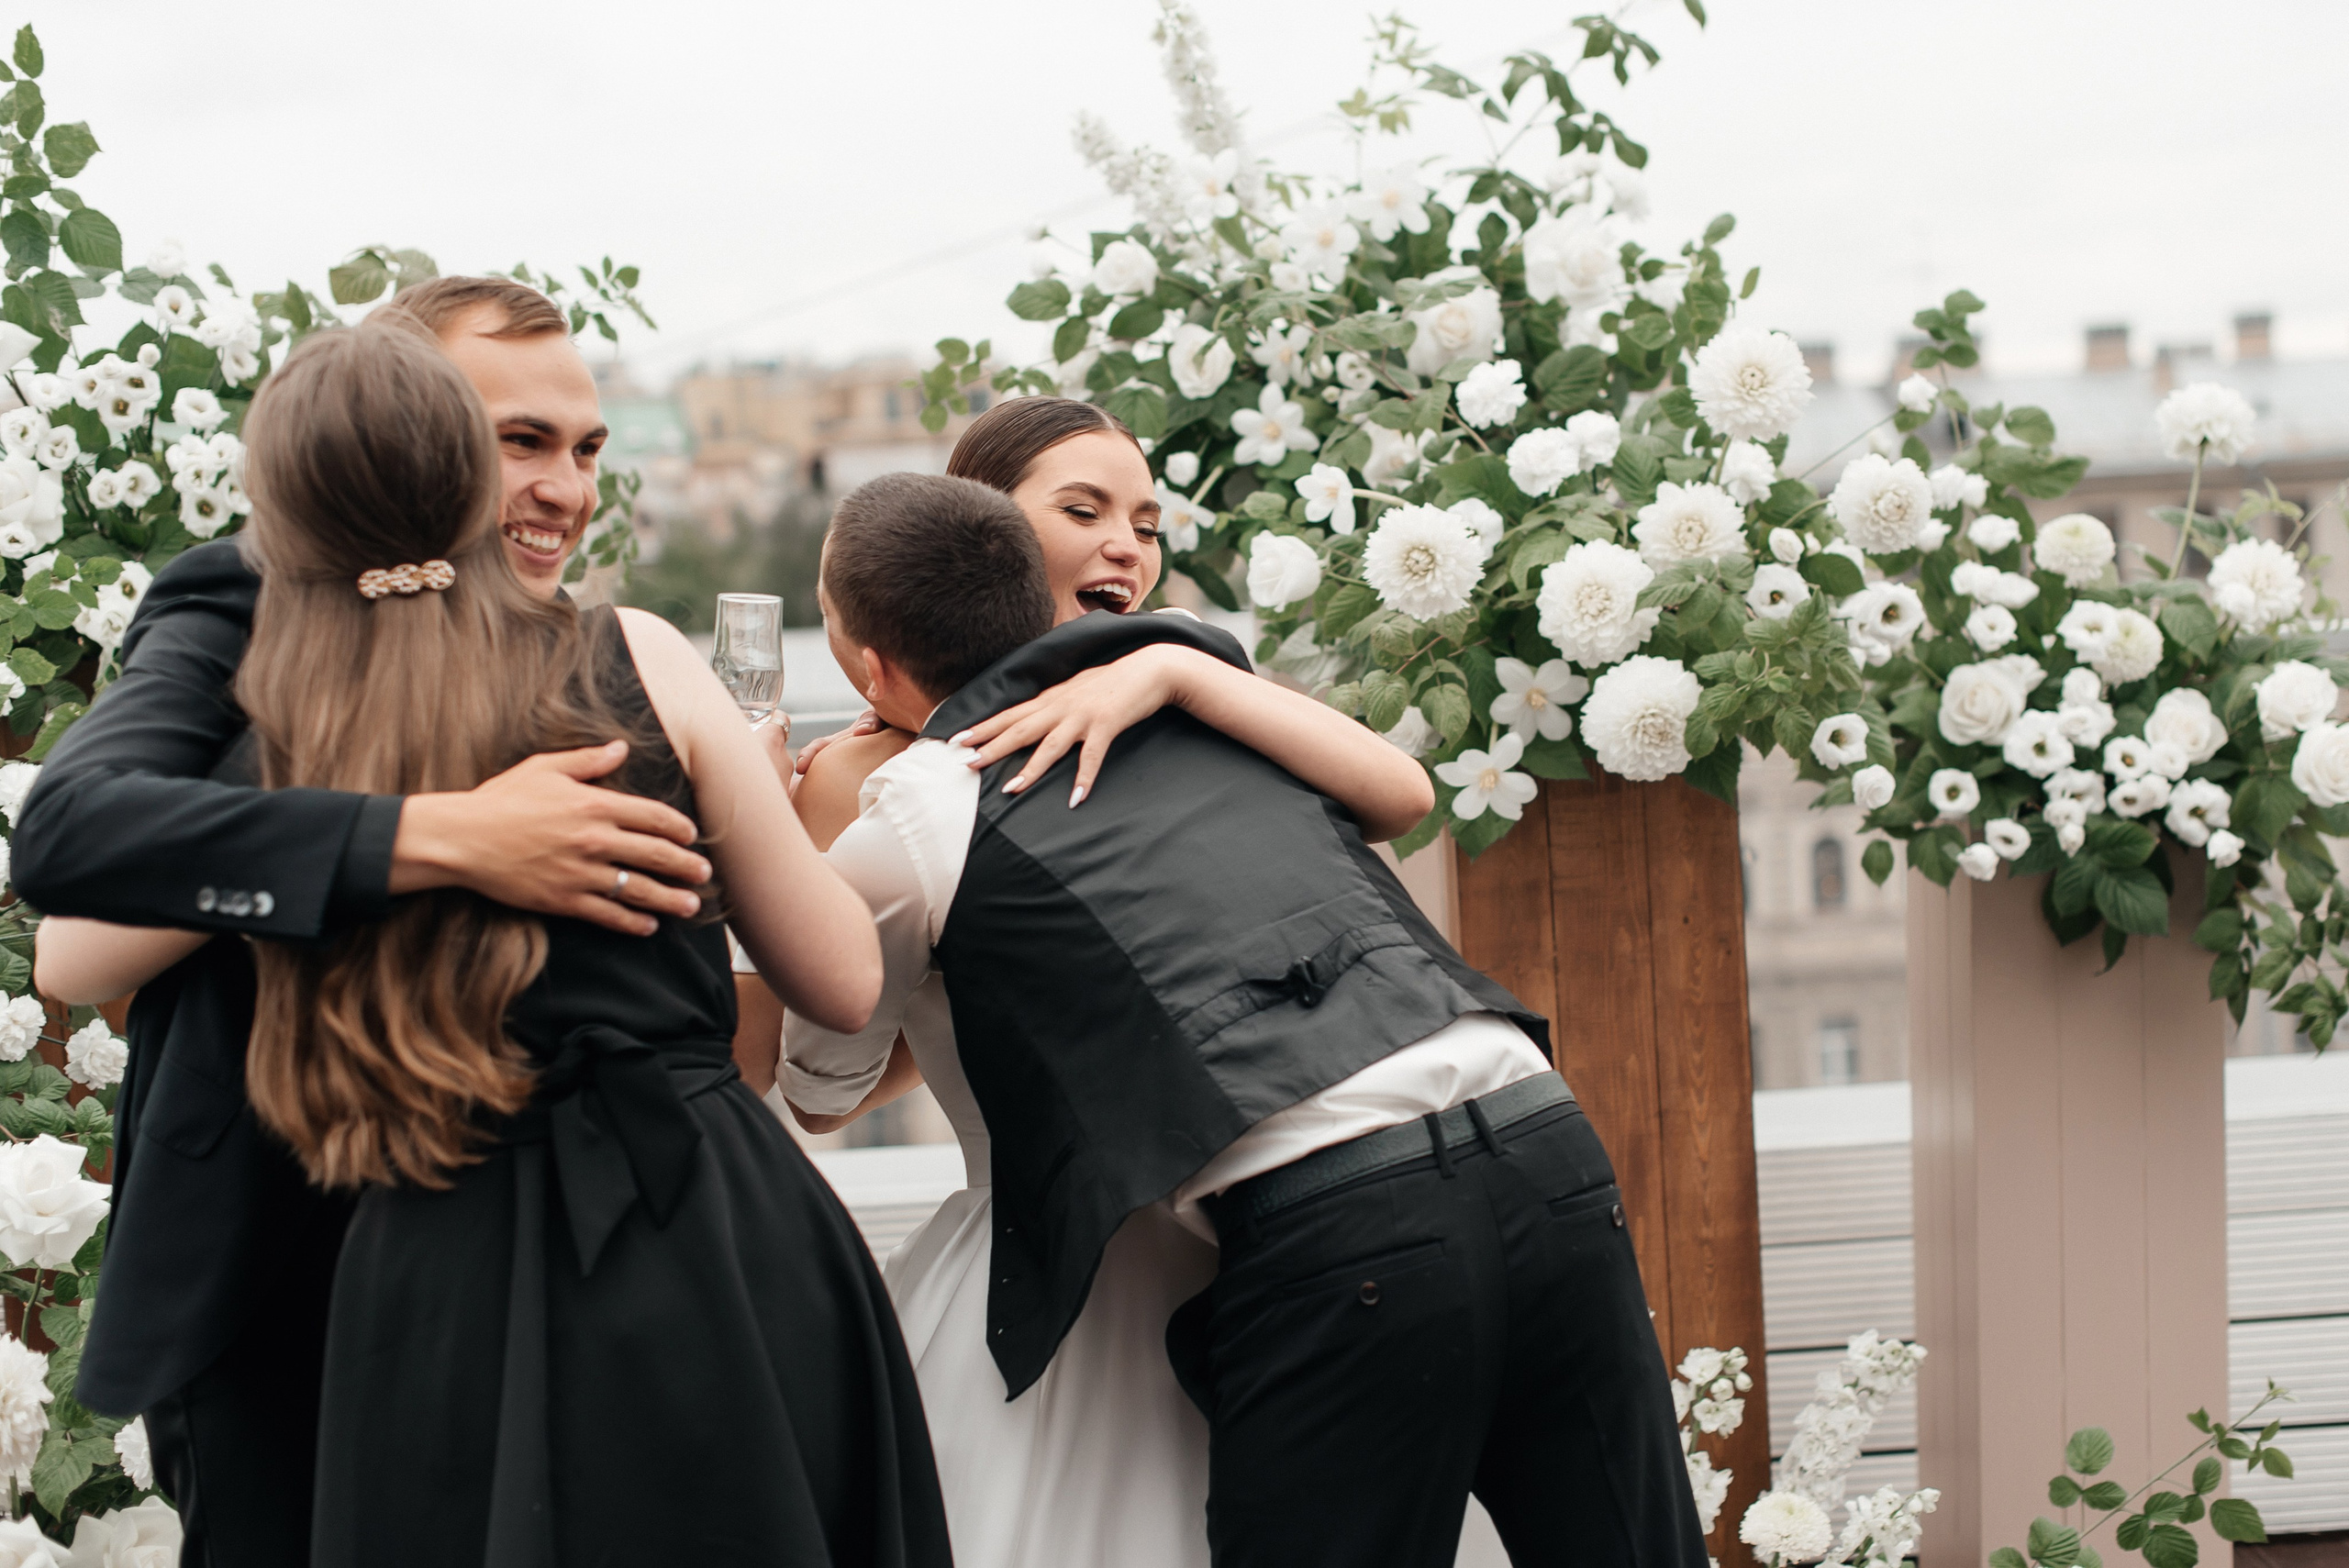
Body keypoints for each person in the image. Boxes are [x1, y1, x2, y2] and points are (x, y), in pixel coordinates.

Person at [39, 321, 952, 1564]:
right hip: (356, 1254)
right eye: (520, 441)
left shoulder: (312, 726)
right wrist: (451, 835)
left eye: (585, 448)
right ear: (438, 449)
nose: (566, 488)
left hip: (429, 1254)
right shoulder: (601, 659)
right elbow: (76, 926)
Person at [783, 470, 1709, 1568]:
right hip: (1544, 1137)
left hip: (1344, 1220)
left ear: (864, 664)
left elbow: (819, 1086)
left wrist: (791, 841)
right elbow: (1395, 797)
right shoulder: (1217, 709)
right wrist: (1176, 665)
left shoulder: (914, 811)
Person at [755, 397, 1434, 1568]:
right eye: (1084, 511)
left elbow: (1400, 799)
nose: (1128, 543)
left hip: (1269, 1241)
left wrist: (1173, 672)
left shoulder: (1189, 707)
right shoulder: (870, 780)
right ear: (986, 536)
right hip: (1056, 1264)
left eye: (1146, 520)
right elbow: (832, 1064)